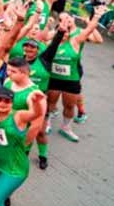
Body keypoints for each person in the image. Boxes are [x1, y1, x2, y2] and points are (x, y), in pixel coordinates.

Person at [44, 7, 105, 142]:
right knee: (50, 103)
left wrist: (96, 17)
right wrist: (49, 24)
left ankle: (66, 127)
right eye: (61, 29)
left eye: (66, 30)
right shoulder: (51, 42)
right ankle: (47, 122)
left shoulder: (76, 40)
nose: (64, 32)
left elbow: (91, 32)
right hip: (53, 78)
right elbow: (41, 36)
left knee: (70, 105)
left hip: (71, 80)